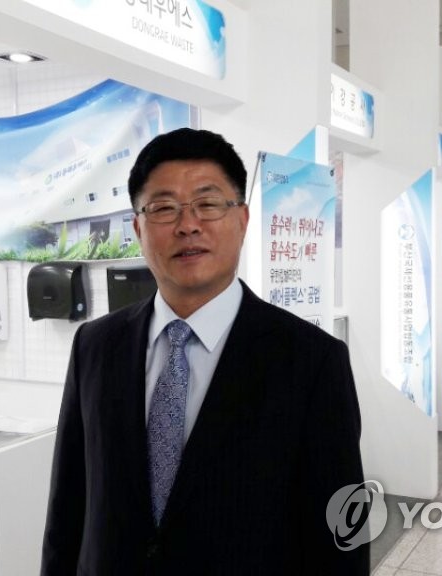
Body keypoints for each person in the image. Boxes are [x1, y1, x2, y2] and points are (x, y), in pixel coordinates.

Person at [41, 128, 368, 575]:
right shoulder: (94, 346)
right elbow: (67, 507)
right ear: (138, 228)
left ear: (243, 220)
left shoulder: (312, 361)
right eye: (163, 208)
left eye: (208, 204)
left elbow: (340, 536)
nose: (188, 225)